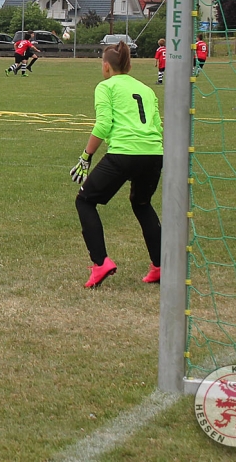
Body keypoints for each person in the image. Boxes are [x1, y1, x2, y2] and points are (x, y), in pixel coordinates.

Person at [70, 41, 163, 288]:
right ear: (129, 66)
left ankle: (100, 263)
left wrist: (86, 156)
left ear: (106, 66)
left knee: (85, 201)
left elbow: (103, 125)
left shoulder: (106, 86)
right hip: (154, 153)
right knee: (142, 203)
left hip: (124, 152)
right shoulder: (146, 89)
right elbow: (157, 126)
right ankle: (160, 265)